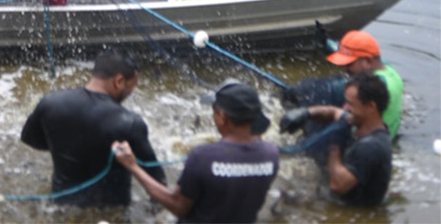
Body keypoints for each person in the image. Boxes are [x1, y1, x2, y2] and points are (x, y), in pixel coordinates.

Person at [113, 81, 279, 222]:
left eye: (214, 112)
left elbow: (179, 207)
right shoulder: (270, 154)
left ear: (222, 116)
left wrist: (132, 166)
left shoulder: (203, 156)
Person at [20, 49, 165, 206]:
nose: (131, 92)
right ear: (119, 81)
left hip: (62, 205)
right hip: (110, 212)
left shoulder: (51, 102)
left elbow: (29, 139)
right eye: (132, 85)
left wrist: (64, 146)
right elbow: (157, 180)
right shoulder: (129, 122)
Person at [280, 73, 392, 206]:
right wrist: (307, 112)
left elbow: (338, 185)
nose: (344, 107)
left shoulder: (371, 147)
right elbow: (334, 112)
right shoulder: (360, 122)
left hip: (351, 211)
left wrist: (335, 141)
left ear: (371, 107)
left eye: (350, 103)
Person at [283, 26, 403, 140]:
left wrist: (295, 91)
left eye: (348, 64)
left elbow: (328, 87)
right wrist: (326, 44)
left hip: (370, 144)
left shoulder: (377, 85)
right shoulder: (388, 69)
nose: (344, 69)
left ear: (368, 61)